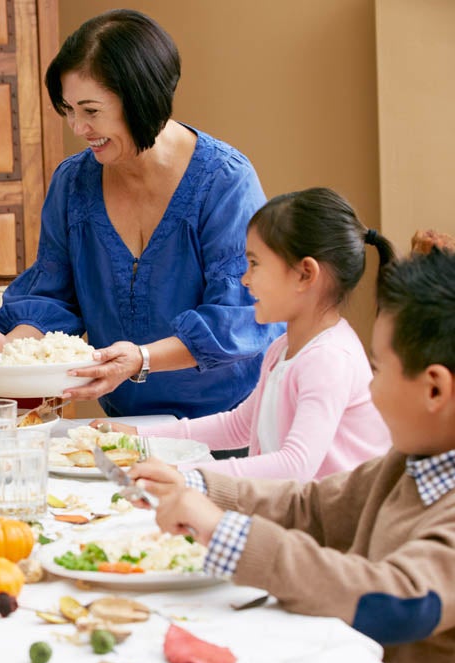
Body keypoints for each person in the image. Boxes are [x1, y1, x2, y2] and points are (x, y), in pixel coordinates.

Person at [132, 243, 455, 663]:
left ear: (435, 389)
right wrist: (198, 486)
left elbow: (397, 602)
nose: (370, 388)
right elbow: (311, 506)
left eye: (378, 370)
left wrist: (229, 534)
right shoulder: (404, 465)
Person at [0, 9, 283, 420]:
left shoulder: (224, 182)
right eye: (69, 109)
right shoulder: (73, 183)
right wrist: (13, 351)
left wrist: (141, 359)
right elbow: (50, 295)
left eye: (91, 111)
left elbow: (241, 316)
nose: (77, 127)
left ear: (142, 98)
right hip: (129, 424)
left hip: (234, 423)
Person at [97, 188, 395, 481]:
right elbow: (238, 426)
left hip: (324, 514)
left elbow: (294, 466)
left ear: (305, 274)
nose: (245, 279)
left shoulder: (328, 359)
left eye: (254, 264)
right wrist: (139, 437)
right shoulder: (284, 348)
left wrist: (181, 474)